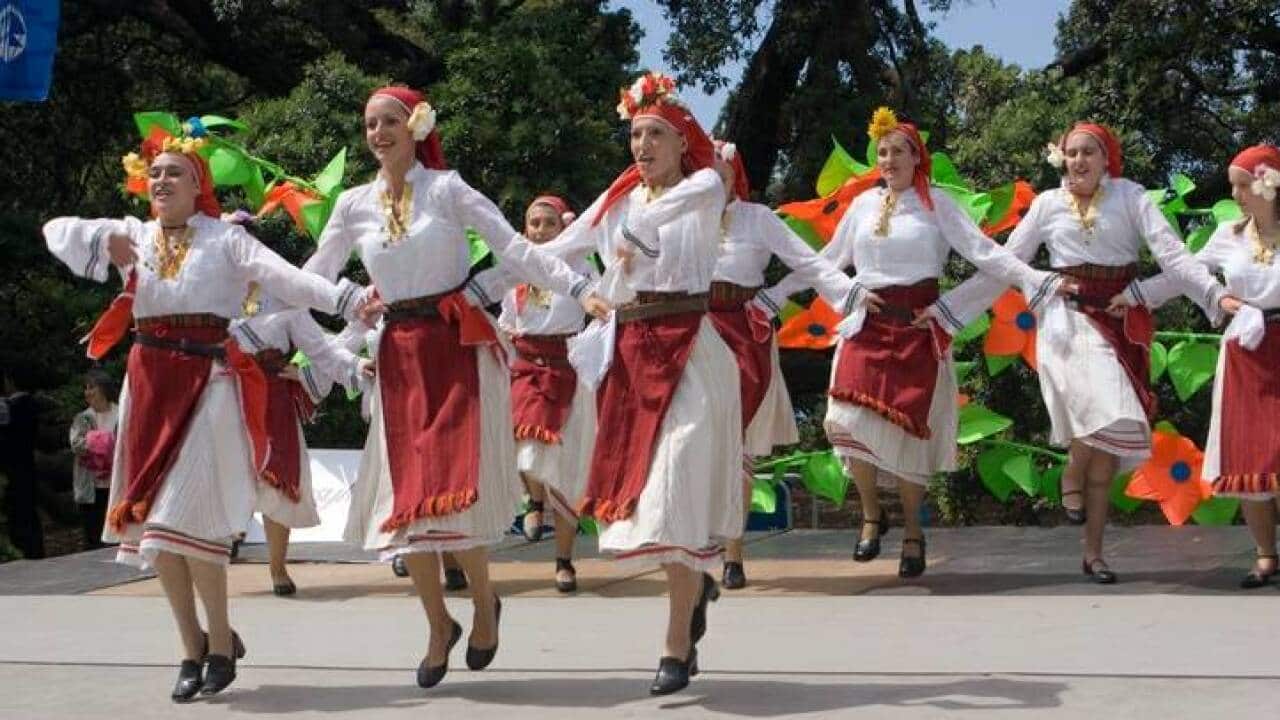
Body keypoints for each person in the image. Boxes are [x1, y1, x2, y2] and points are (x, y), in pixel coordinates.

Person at [43, 128, 370, 701]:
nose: (163, 180)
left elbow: (290, 281)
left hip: (209, 383)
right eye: (157, 173)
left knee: (188, 520)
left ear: (200, 186)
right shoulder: (135, 235)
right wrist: (103, 241)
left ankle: (218, 642)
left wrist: (347, 299)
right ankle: (191, 645)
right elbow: (55, 233)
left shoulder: (226, 240)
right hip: (149, 385)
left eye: (177, 173)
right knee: (157, 534)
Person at [303, 85, 608, 690]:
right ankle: (439, 623)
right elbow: (314, 272)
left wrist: (576, 290)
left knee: (454, 492)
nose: (379, 133)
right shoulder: (354, 203)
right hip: (397, 354)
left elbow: (518, 249)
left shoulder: (447, 189)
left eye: (391, 120)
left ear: (415, 128)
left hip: (453, 349)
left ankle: (485, 601)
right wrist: (282, 307)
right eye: (370, 124)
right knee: (404, 503)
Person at [761, 108, 1067, 579]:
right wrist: (776, 295)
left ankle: (911, 532)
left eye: (898, 151)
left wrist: (1025, 281)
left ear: (916, 157)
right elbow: (826, 261)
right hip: (866, 324)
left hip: (918, 328)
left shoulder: (937, 203)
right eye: (882, 152)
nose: (888, 159)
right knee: (841, 421)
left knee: (909, 435)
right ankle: (870, 513)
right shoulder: (863, 206)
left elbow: (986, 255)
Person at [939, 121, 1236, 583]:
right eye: (1071, 153)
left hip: (1119, 319)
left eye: (1088, 153)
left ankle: (1094, 553)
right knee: (1102, 412)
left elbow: (1175, 257)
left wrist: (1205, 296)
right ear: (1062, 158)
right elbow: (1004, 264)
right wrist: (947, 311)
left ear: (1106, 160)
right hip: (1065, 320)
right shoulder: (1047, 205)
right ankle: (1072, 474)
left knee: (1106, 448)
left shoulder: (1131, 197)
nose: (1078, 161)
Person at [533, 70, 739, 695]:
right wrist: (579, 291)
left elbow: (651, 222)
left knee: (676, 489)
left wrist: (618, 243)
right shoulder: (619, 197)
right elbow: (552, 251)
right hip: (631, 356)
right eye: (634, 135)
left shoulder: (704, 184)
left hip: (691, 354)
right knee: (654, 501)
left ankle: (675, 643)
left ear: (681, 141)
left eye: (654, 134)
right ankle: (694, 589)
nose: (641, 146)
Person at [1121, 145, 1274, 588]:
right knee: (1251, 457)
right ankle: (1266, 555)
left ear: (1270, 184)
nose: (1237, 194)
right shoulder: (1229, 234)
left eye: (1245, 185)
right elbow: (1183, 274)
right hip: (1246, 352)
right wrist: (1135, 295)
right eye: (1234, 186)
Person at [707, 140, 856, 590]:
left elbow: (811, 260)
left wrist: (776, 296)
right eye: (703, 171)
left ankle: (732, 554)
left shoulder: (758, 218)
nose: (713, 179)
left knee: (737, 443)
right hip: (693, 332)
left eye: (721, 171)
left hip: (744, 331)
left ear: (737, 175)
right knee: (695, 441)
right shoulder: (680, 218)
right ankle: (695, 548)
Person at [231, 285, 366, 596]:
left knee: (277, 482)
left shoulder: (285, 295)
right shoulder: (216, 287)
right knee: (224, 474)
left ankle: (277, 567)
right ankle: (216, 551)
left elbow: (323, 349)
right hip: (226, 391)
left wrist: (306, 373)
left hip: (271, 396)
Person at [497, 195, 597, 592]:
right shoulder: (513, 274)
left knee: (564, 470)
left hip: (566, 367)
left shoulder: (579, 267)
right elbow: (506, 320)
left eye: (548, 223)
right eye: (533, 223)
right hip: (524, 366)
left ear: (564, 228)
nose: (540, 230)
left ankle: (564, 560)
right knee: (524, 443)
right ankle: (533, 502)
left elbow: (601, 304)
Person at [69, 369, 119, 550]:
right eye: (86, 388)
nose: (87, 392)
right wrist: (103, 442)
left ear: (104, 389)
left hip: (116, 484)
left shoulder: (121, 413)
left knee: (117, 534)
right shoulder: (83, 418)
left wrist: (102, 442)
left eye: (92, 387)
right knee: (93, 536)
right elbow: (76, 444)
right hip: (91, 486)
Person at [0, 370, 45, 559]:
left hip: (12, 466)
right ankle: (35, 550)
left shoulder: (12, 407)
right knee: (28, 511)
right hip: (27, 463)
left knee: (18, 513)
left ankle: (26, 550)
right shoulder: (30, 404)